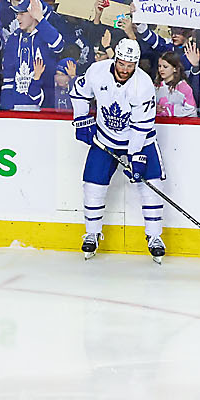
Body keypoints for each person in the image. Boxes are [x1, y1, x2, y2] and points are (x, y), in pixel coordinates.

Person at [70, 38, 165, 261]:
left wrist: (135, 156)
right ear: (116, 59)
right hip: (106, 139)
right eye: (122, 63)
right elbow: (78, 93)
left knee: (151, 186)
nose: (125, 69)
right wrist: (81, 118)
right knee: (92, 185)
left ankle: (154, 237)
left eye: (130, 66)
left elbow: (141, 127)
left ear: (136, 64)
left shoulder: (143, 85)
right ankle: (92, 234)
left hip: (140, 139)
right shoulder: (97, 71)